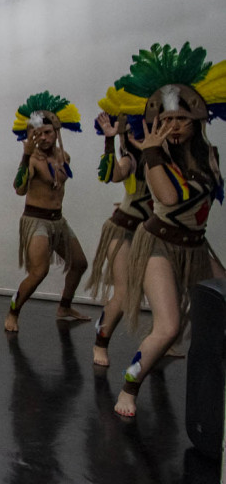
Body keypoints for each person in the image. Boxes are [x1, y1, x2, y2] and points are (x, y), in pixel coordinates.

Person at [112, 42, 225, 416]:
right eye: (167, 119)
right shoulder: (153, 156)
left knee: (221, 299)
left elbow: (207, 198)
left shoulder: (209, 154)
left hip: (196, 245)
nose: (173, 126)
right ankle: (129, 387)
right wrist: (151, 150)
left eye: (181, 119)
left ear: (197, 120)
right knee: (168, 327)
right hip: (158, 244)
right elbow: (170, 197)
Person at [4, 92, 89, 333]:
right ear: (31, 135)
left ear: (56, 131)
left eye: (48, 132)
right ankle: (13, 312)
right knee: (39, 272)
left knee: (79, 263)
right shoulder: (32, 160)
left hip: (58, 220)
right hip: (36, 221)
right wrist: (25, 156)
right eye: (38, 133)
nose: (43, 137)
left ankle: (64, 307)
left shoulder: (64, 156)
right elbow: (19, 189)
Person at [86, 108, 151, 367]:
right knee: (123, 294)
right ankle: (100, 343)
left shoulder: (166, 158)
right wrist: (109, 139)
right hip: (125, 229)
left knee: (168, 294)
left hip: (153, 234)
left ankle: (162, 339)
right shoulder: (130, 158)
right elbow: (112, 175)